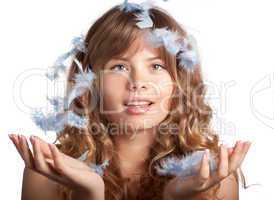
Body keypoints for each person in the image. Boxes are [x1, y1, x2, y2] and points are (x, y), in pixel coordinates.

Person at [8, 2, 251, 200]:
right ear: (88, 86)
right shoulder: (48, 172)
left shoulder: (212, 177)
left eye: (156, 66)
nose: (138, 82)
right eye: (120, 66)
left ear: (180, 86)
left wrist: (177, 198)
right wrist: (89, 192)